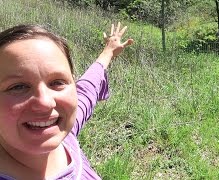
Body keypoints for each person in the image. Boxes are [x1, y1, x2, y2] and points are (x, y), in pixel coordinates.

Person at [0, 22, 133, 179]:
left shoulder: (65, 135)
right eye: (18, 87)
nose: (45, 103)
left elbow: (89, 86)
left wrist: (109, 51)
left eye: (57, 82)